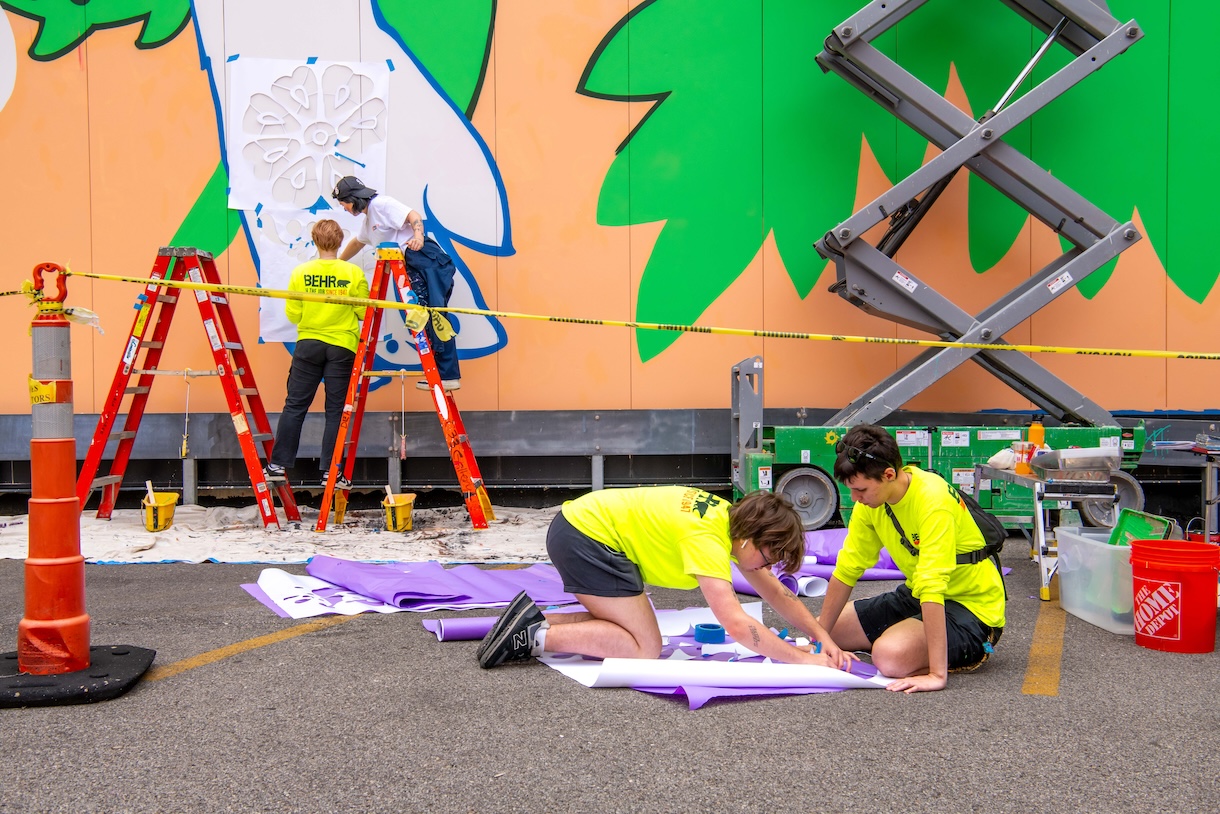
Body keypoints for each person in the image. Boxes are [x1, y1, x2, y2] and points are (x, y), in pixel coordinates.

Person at [477, 486, 856, 671]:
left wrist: (822, 636)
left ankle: (532, 620)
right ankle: (533, 637)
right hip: (587, 538)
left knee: (629, 628)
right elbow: (737, 625)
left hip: (582, 529)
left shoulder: (730, 520)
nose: (767, 567)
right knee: (643, 646)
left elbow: (780, 596)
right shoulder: (707, 539)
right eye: (769, 556)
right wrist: (800, 660)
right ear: (749, 537)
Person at [817, 424, 1007, 693]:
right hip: (917, 593)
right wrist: (819, 640)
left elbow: (933, 585)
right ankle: (908, 639)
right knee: (829, 631)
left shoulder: (933, 500)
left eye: (860, 490)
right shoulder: (870, 503)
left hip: (972, 607)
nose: (855, 498)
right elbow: (848, 568)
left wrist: (936, 675)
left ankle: (918, 651)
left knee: (889, 657)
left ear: (889, 474)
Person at [265, 218, 369, 489]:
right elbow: (363, 313)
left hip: (308, 343)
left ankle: (277, 465)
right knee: (335, 411)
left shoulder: (301, 272)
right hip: (342, 345)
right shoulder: (353, 273)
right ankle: (330, 473)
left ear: (314, 240)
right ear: (340, 241)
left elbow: (293, 313)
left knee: (295, 406)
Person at [331, 176, 461, 391]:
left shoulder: (380, 204)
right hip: (413, 265)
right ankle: (440, 375)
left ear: (353, 198)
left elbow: (412, 215)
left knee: (434, 316)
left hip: (425, 258)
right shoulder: (368, 222)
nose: (343, 208)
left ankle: (447, 376)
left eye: (343, 202)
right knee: (423, 318)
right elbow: (357, 242)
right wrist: (337, 262)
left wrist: (418, 235)